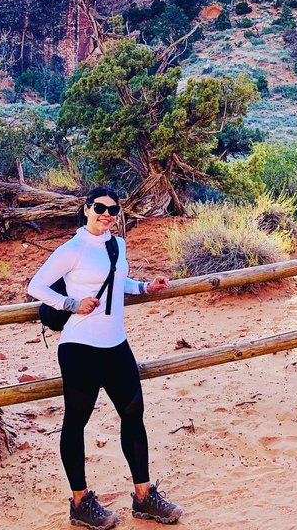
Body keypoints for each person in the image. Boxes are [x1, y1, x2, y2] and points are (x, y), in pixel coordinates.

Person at [28, 186, 183, 528]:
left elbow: (118, 281)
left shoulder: (117, 244)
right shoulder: (73, 249)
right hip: (80, 347)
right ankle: (80, 502)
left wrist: (145, 288)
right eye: (100, 208)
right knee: (77, 422)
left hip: (116, 344)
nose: (106, 215)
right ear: (86, 209)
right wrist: (71, 304)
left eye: (113, 210)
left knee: (133, 414)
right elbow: (36, 286)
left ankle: (144, 497)